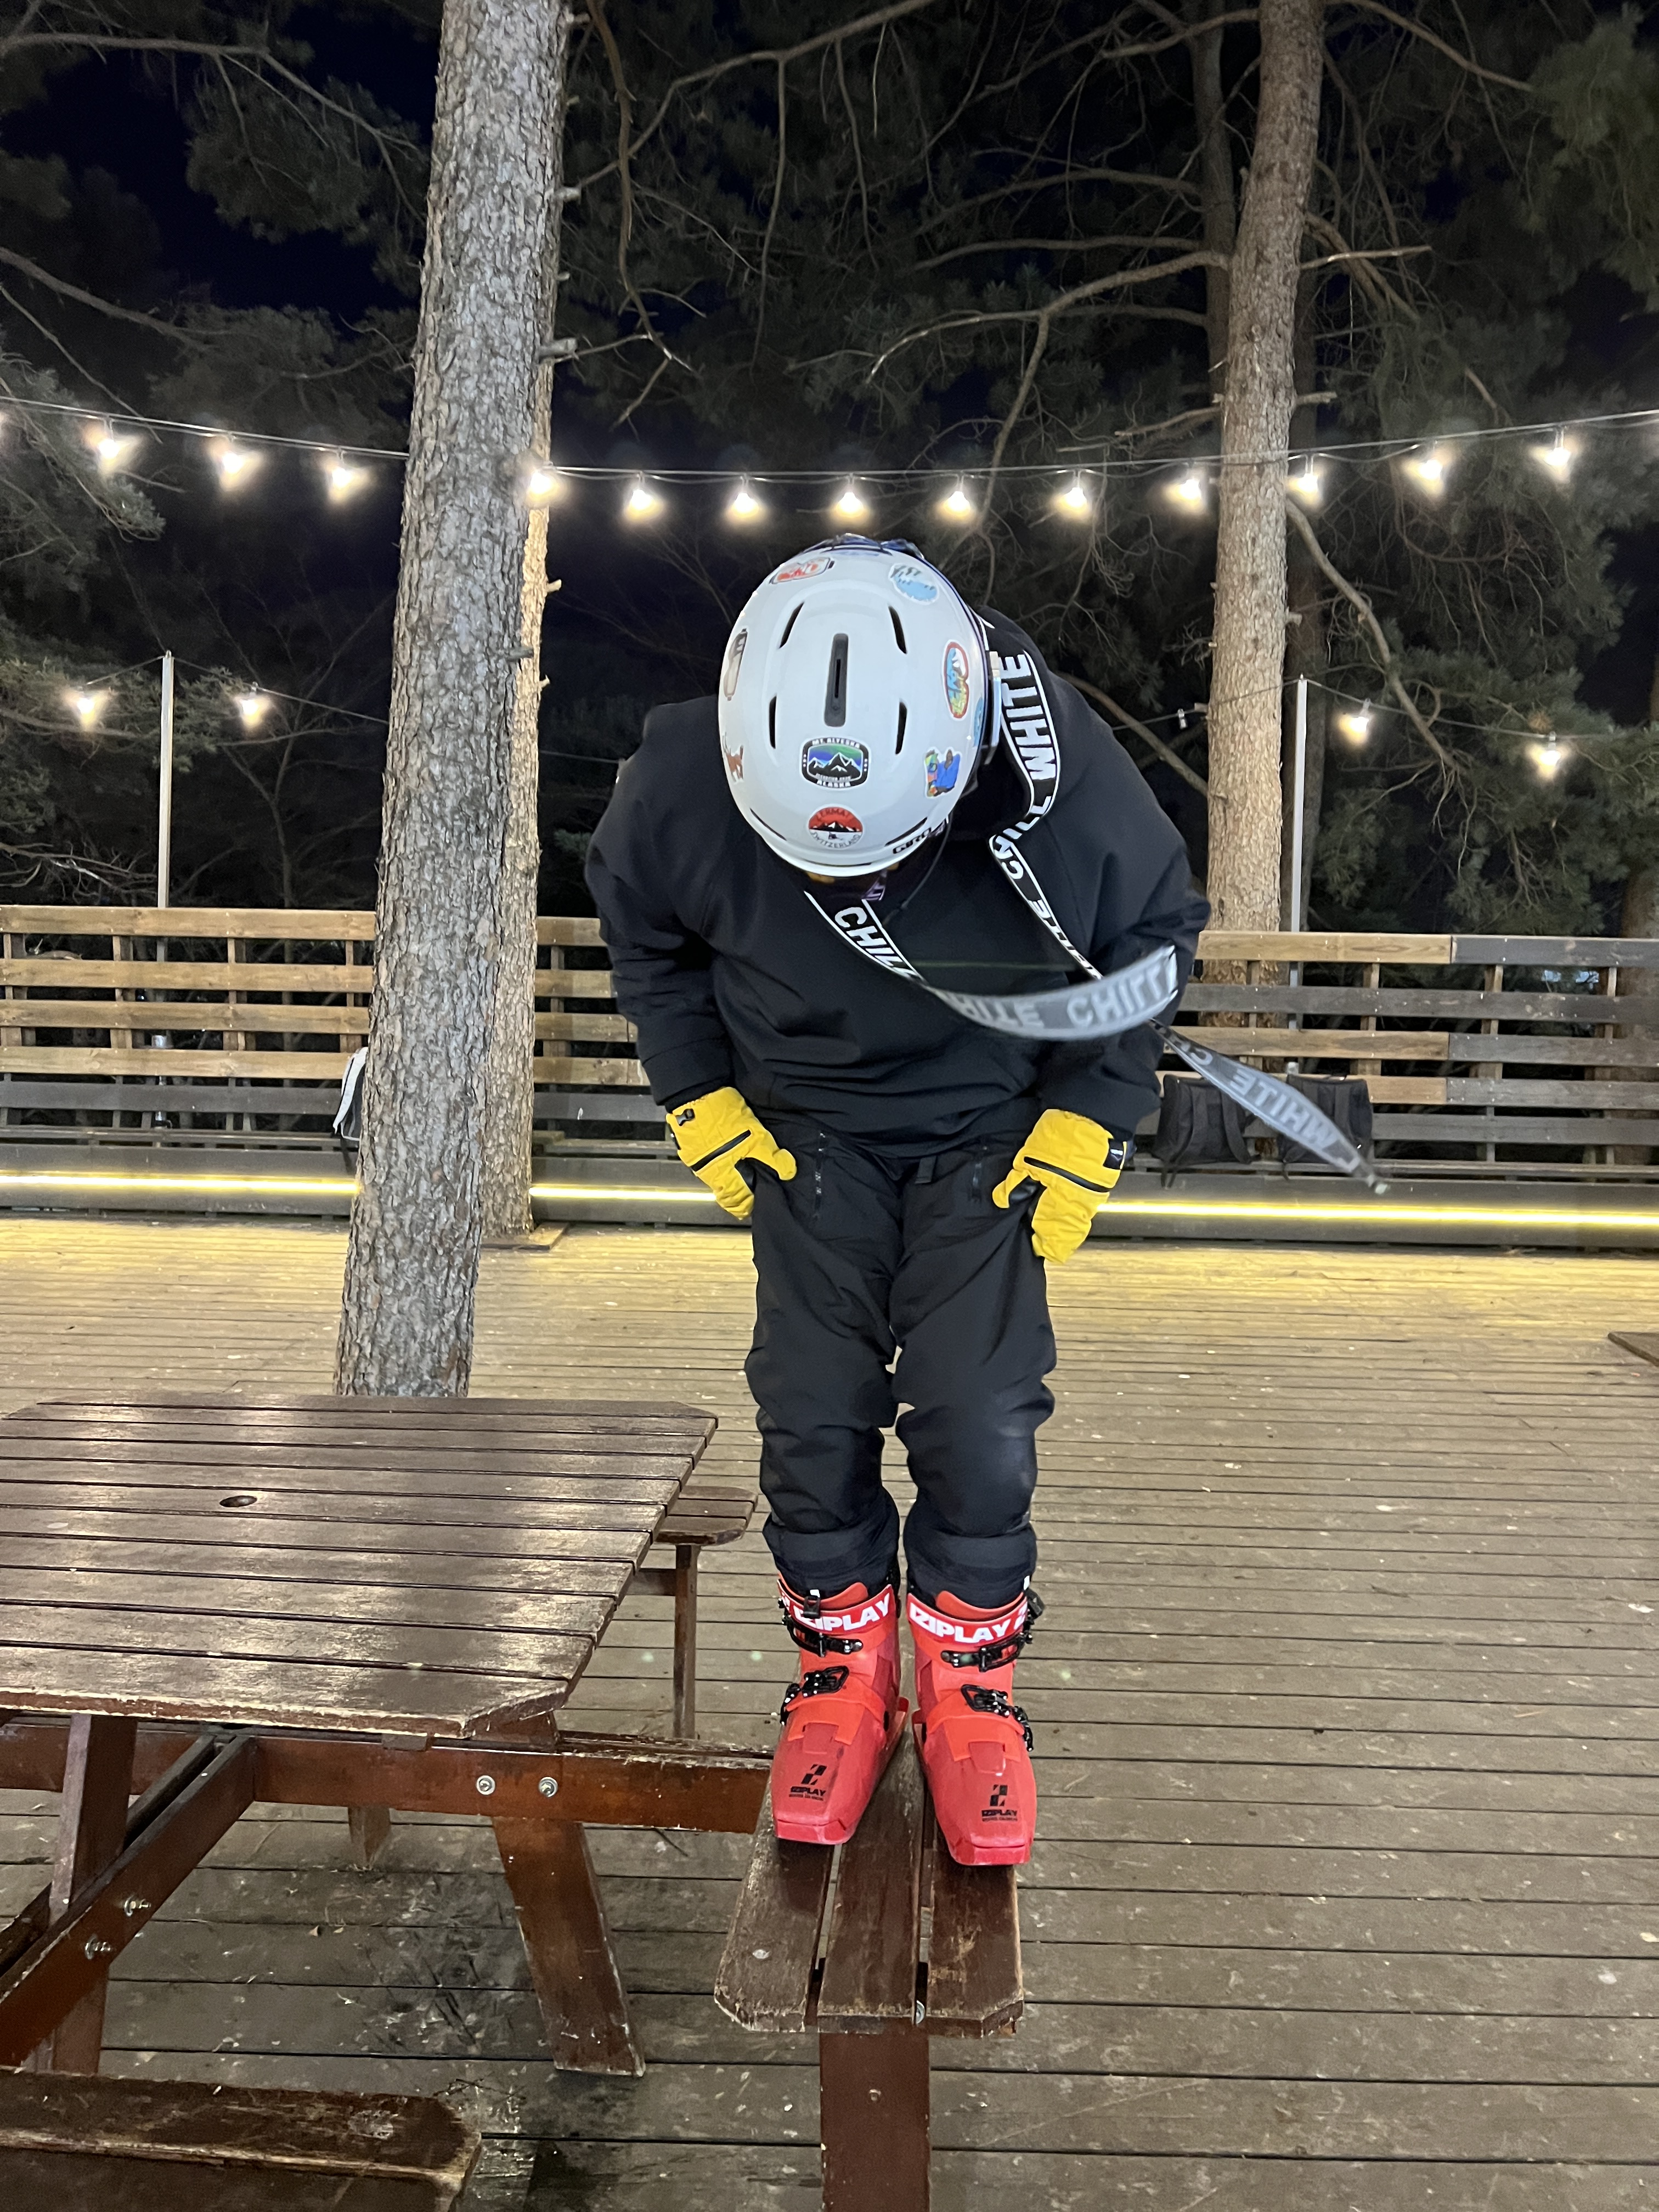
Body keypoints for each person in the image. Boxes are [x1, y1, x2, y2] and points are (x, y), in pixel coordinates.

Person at [586, 536, 1207, 1865]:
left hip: (990, 1126)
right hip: (802, 1129)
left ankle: (969, 1679)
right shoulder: (681, 778)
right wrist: (696, 1088)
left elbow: (1152, 930)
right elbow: (646, 936)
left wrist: (1093, 1114)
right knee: (809, 1406)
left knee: (979, 1414)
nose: (835, 891)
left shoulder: (1055, 772)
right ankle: (841, 1666)